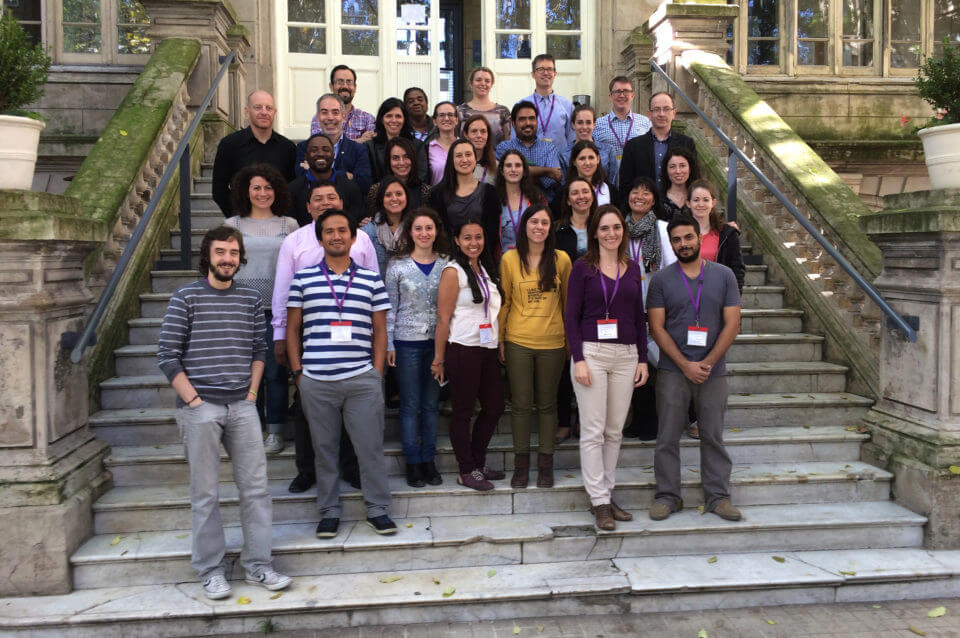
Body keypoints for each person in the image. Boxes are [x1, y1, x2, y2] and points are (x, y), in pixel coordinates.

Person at [157, 225, 292, 599]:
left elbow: (258, 352)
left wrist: (250, 396)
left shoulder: (249, 299)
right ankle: (211, 569)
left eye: (233, 253)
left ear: (240, 258)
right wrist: (195, 402)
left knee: (256, 490)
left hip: (242, 407)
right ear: (208, 256)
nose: (227, 259)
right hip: (200, 409)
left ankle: (259, 566)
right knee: (205, 494)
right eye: (221, 252)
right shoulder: (185, 297)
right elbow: (167, 355)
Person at [286, 208, 398, 538]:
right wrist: (299, 374)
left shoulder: (371, 279)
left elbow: (380, 331)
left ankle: (378, 509)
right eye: (329, 231)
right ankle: (329, 512)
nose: (336, 236)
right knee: (324, 450)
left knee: (370, 448)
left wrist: (376, 373)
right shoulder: (303, 279)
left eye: (342, 230)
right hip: (316, 381)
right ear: (320, 238)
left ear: (353, 237)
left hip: (362, 379)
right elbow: (293, 329)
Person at [272, 181, 379, 494]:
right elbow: (283, 289)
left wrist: (375, 334)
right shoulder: (294, 241)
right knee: (307, 403)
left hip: (356, 332)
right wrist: (281, 333)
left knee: (352, 405)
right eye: (316, 199)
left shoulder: (359, 241)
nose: (323, 202)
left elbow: (374, 284)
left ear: (341, 202)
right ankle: (308, 470)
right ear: (307, 208)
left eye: (330, 196)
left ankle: (351, 467)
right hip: (312, 331)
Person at [646, 214, 742, 523]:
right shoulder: (661, 280)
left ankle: (718, 496)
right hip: (674, 371)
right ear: (671, 243)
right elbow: (657, 328)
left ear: (699, 238)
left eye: (688, 237)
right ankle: (667, 495)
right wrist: (685, 365)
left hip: (713, 370)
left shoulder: (724, 275)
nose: (683, 244)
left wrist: (709, 362)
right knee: (667, 436)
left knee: (712, 434)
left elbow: (733, 323)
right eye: (676, 240)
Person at [564, 205, 649, 531]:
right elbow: (571, 317)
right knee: (593, 430)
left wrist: (642, 358)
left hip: (626, 355)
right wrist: (579, 358)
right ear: (595, 233)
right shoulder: (582, 268)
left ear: (622, 232)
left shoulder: (632, 268)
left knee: (615, 431)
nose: (611, 234)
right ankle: (599, 501)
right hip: (593, 354)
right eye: (604, 229)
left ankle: (607, 493)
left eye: (616, 228)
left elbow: (638, 318)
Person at [224, 164, 298, 454]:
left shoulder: (289, 225)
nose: (262, 193)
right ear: (246, 191)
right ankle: (249, 430)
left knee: (275, 372)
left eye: (268, 187)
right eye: (256, 187)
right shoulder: (232, 225)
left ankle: (275, 431)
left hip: (277, 310)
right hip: (241, 308)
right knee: (246, 373)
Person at [498, 204, 572, 489]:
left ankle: (545, 464)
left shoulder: (562, 260)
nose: (539, 227)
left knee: (548, 405)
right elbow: (505, 302)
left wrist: (568, 340)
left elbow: (567, 302)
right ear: (524, 226)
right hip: (518, 340)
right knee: (519, 405)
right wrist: (501, 339)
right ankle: (520, 465)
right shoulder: (509, 259)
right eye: (534, 222)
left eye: (544, 222)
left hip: (552, 342)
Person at [432, 219, 505, 491]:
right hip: (462, 347)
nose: (474, 242)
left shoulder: (483, 267)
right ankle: (466, 469)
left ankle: (476, 462)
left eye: (478, 237)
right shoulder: (453, 271)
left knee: (495, 405)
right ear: (457, 241)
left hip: (486, 347)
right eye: (467, 238)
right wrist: (438, 359)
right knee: (462, 411)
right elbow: (443, 318)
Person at [384, 208, 451, 487]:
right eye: (418, 228)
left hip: (438, 345)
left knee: (431, 405)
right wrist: (388, 342)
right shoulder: (397, 266)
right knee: (410, 405)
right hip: (406, 342)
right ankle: (412, 462)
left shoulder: (448, 264)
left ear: (437, 231)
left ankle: (428, 460)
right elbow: (389, 308)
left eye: (429, 228)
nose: (424, 233)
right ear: (410, 233)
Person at [553, 177, 597, 444]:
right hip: (562, 302)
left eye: (586, 191)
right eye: (575, 193)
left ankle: (584, 417)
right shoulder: (558, 231)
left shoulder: (602, 227)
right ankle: (563, 421)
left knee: (589, 362)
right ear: (567, 200)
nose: (581, 196)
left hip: (596, 305)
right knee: (564, 363)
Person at [622, 176, 666, 441]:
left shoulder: (662, 229)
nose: (639, 195)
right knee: (632, 367)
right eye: (634, 190)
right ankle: (638, 420)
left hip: (655, 309)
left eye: (646, 192)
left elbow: (672, 270)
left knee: (656, 365)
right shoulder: (619, 228)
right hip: (626, 309)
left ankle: (655, 421)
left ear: (654, 198)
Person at [213, 90, 296, 216]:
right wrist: (237, 216)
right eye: (258, 107)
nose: (264, 112)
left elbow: (292, 187)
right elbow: (219, 189)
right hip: (242, 222)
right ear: (247, 111)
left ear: (274, 112)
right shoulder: (229, 144)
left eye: (269, 108)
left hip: (279, 221)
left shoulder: (288, 148)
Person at [428, 138, 501, 256]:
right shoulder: (437, 194)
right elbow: (437, 231)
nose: (464, 160)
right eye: (458, 156)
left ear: (475, 158)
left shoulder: (489, 192)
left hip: (481, 259)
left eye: (468, 154)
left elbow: (492, 233)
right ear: (451, 160)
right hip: (448, 259)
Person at [618, 92, 695, 195]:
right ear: (649, 114)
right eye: (656, 109)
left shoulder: (687, 144)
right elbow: (625, 185)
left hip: (677, 206)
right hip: (644, 207)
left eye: (666, 109)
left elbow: (694, 179)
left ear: (674, 113)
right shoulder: (633, 146)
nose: (661, 114)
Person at [296, 93, 373, 194]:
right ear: (318, 117)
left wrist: (316, 170)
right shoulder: (304, 147)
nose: (330, 117)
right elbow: (301, 180)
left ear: (344, 116)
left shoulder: (359, 150)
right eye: (324, 112)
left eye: (335, 112)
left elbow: (364, 184)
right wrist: (346, 176)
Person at [496, 101, 564, 204]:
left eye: (531, 118)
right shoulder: (504, 147)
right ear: (513, 124)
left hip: (544, 207)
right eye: (522, 119)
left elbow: (553, 179)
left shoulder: (549, 148)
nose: (528, 123)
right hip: (511, 207)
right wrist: (546, 171)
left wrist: (519, 175)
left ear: (536, 122)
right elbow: (504, 177)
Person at [289, 133, 364, 225]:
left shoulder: (350, 187)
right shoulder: (293, 189)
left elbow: (354, 223)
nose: (320, 154)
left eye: (326, 149)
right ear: (306, 157)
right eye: (314, 150)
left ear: (333, 155)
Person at [688, 179, 745, 291]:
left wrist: (733, 300)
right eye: (696, 200)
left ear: (713, 203)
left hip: (717, 296)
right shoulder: (680, 233)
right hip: (685, 296)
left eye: (705, 200)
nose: (700, 204)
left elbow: (737, 270)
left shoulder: (728, 234)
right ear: (688, 203)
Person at [592, 77, 650, 184]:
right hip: (607, 182)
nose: (622, 95)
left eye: (626, 91)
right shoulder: (597, 125)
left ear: (632, 95)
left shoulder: (645, 122)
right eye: (617, 91)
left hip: (637, 181)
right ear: (610, 96)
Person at [517, 54, 576, 157]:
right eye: (541, 69)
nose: (545, 73)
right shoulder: (521, 106)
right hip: (530, 166)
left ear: (555, 74)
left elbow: (573, 140)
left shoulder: (567, 106)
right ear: (533, 74)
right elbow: (515, 140)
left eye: (549, 69)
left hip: (559, 166)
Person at [366, 97, 429, 184]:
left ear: (404, 120)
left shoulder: (417, 145)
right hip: (379, 194)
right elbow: (369, 178)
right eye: (389, 116)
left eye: (398, 116)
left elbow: (421, 175)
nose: (394, 120)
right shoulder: (370, 147)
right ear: (381, 120)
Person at [364, 137, 432, 217]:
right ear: (388, 161)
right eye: (395, 158)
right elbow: (372, 220)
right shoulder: (376, 191)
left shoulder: (426, 192)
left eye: (406, 157)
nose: (401, 162)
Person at [495, 150, 546, 252]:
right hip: (503, 262)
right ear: (502, 171)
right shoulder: (494, 199)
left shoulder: (536, 198)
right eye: (508, 166)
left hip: (531, 259)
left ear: (524, 171)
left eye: (518, 165)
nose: (513, 169)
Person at [309, 65, 376, 143]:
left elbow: (369, 147)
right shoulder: (319, 118)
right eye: (340, 82)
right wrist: (359, 140)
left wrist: (334, 143)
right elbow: (320, 146)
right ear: (331, 86)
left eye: (349, 82)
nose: (345, 86)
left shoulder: (368, 119)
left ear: (355, 87)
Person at [362, 176, 410, 275]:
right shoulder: (367, 233)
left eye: (399, 194)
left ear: (406, 197)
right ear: (381, 199)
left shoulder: (417, 228)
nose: (394, 198)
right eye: (388, 195)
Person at [457, 66, 511, 146]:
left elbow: (508, 142)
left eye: (487, 81)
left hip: (497, 158)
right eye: (478, 80)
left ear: (491, 84)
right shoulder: (460, 111)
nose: (483, 84)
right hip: (468, 157)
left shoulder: (503, 111)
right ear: (471, 84)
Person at [572, 105, 620, 189]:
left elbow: (613, 181)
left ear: (594, 124)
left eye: (588, 122)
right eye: (580, 122)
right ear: (573, 125)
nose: (584, 127)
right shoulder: (564, 154)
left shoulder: (608, 150)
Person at [566, 139, 620, 208]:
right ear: (574, 162)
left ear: (598, 159)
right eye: (582, 158)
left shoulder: (610, 191)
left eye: (591, 158)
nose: (587, 163)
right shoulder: (565, 192)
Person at [661, 145, 700, 219]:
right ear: (666, 170)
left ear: (690, 168)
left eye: (682, 166)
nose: (678, 171)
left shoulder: (699, 198)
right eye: (672, 166)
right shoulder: (658, 200)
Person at [425, 102, 460, 186]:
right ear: (435, 121)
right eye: (441, 115)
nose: (446, 118)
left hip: (462, 197)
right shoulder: (427, 149)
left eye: (450, 115)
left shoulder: (465, 146)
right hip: (436, 197)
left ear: (456, 120)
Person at [463, 113, 498, 186]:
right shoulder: (458, 163)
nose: (479, 135)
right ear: (466, 135)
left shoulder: (496, 166)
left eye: (483, 131)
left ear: (488, 135)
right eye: (474, 131)